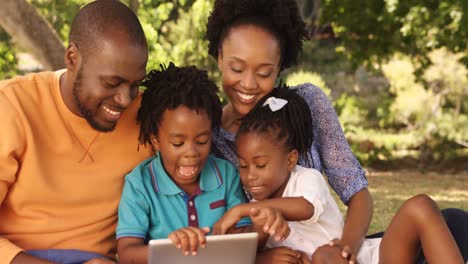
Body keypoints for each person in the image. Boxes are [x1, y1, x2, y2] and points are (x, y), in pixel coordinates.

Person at [205, 0, 468, 263]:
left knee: (455, 221)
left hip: (338, 249)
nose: (249, 84)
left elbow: (358, 195)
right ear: (219, 57)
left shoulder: (306, 105)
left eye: (264, 72)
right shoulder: (205, 136)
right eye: (237, 68)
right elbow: (225, 239)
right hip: (292, 257)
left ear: (280, 66)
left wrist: (345, 249)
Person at [216, 87, 463, 264]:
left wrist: (243, 211)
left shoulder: (305, 179)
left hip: (363, 258)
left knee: (420, 205)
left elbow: (305, 208)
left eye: (260, 165)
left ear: (291, 159)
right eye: (243, 166)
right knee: (323, 257)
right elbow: (250, 249)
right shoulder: (260, 211)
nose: (250, 176)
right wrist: (264, 257)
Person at [0, 1, 152, 263]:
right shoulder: (13, 107)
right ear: (72, 58)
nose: (126, 99)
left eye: (135, 85)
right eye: (111, 83)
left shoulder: (148, 116)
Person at [115, 63, 289, 264]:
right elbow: (127, 254)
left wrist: (263, 226)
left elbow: (243, 240)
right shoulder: (140, 184)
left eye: (202, 141)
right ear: (155, 139)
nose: (191, 153)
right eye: (178, 143)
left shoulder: (225, 174)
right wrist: (174, 247)